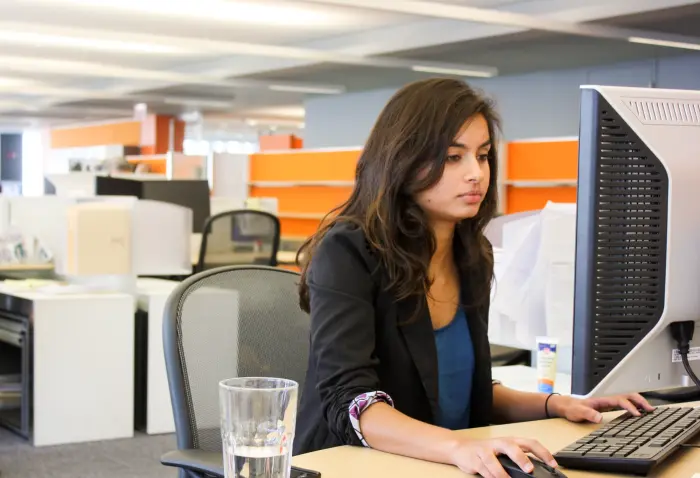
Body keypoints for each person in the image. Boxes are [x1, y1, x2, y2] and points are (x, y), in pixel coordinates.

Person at [292, 78, 653, 478]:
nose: (475, 174)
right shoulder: (349, 252)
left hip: (448, 465)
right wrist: (458, 446)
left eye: (482, 156)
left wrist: (558, 404)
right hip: (352, 467)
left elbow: (465, 391)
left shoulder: (471, 253)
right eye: (452, 157)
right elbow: (352, 403)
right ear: (402, 159)